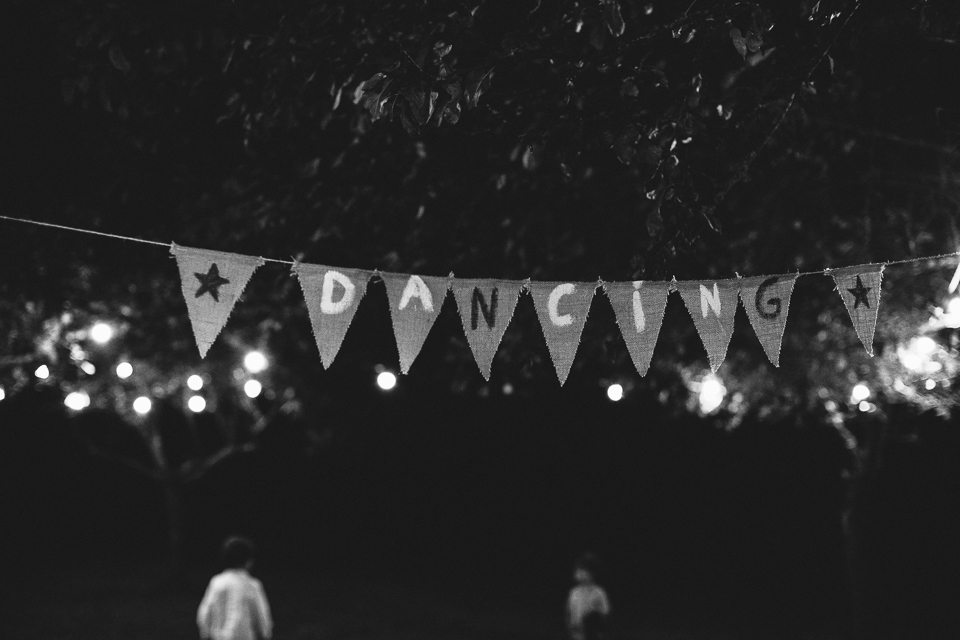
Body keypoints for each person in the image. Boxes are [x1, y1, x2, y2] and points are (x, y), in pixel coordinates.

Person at [197, 535, 273, 640]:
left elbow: (204, 613)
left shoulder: (217, 582)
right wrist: (265, 634)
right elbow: (262, 617)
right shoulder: (252, 585)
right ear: (249, 561)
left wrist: (205, 633)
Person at [566, 552, 611, 640]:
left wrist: (597, 629)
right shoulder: (574, 592)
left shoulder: (598, 592)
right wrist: (571, 628)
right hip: (577, 634)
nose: (577, 573)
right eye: (577, 570)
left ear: (591, 573)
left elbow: (604, 614)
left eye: (581, 570)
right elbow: (569, 612)